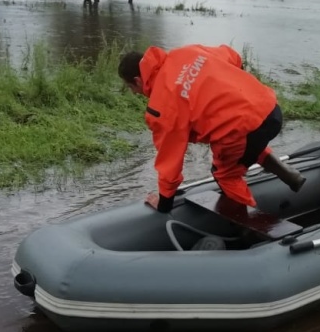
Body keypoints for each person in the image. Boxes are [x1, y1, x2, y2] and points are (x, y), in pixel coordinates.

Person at [119, 44, 306, 212]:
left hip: (242, 127)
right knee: (243, 144)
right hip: (270, 109)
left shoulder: (160, 107)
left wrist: (164, 203)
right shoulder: (186, 52)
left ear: (137, 80)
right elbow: (233, 56)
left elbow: (170, 160)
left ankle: (251, 225)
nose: (134, 93)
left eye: (130, 87)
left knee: (224, 173)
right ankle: (290, 175)